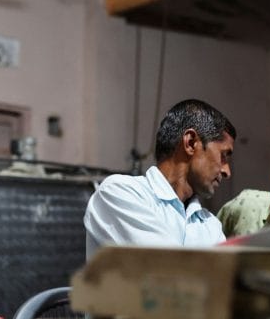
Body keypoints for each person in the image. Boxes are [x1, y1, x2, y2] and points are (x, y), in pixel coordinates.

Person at [84, 99, 236, 259]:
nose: (227, 171)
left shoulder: (210, 225)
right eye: (223, 155)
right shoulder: (118, 193)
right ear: (191, 143)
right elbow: (164, 271)